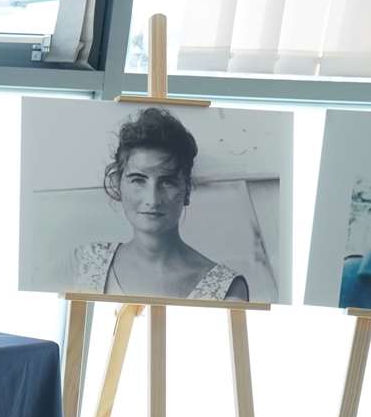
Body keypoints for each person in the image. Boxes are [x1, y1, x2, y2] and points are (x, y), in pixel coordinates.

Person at [73, 106, 249, 302]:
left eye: (167, 181)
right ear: (118, 185)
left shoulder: (227, 289)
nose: (152, 199)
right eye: (138, 180)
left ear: (187, 190)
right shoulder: (87, 262)